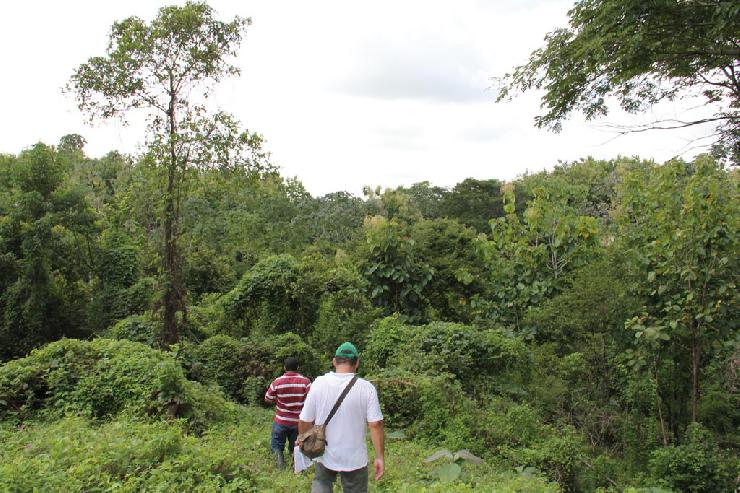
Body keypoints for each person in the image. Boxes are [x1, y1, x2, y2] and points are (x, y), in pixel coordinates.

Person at [298, 342, 384, 493]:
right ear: (357, 363)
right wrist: (379, 457)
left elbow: (305, 419)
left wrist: (302, 438)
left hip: (322, 450)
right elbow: (375, 424)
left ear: (334, 361)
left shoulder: (319, 383)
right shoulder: (366, 388)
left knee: (321, 483)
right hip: (355, 457)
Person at [264, 356, 312, 470]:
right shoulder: (306, 382)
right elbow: (311, 401)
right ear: (298, 367)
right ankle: (295, 469)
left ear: (285, 367)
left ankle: (280, 470)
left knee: (277, 447)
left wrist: (278, 400)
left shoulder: (277, 381)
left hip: (280, 421)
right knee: (295, 447)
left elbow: (267, 398)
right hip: (298, 423)